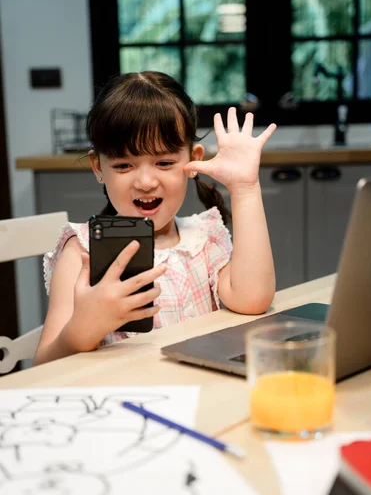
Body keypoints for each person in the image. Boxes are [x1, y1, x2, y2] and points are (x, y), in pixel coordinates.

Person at [34, 71, 276, 366]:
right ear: (98, 167)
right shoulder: (82, 252)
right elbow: (43, 365)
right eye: (124, 165)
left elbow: (253, 301)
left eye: (163, 162)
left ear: (193, 160)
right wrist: (80, 331)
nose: (146, 181)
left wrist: (246, 189)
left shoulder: (203, 238)